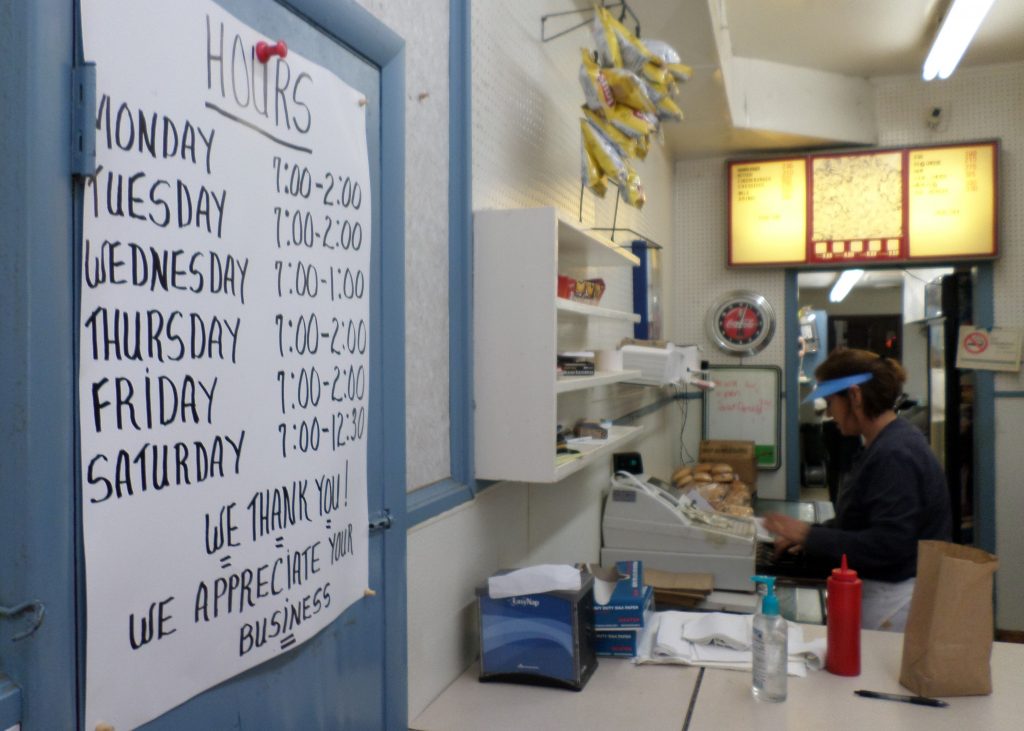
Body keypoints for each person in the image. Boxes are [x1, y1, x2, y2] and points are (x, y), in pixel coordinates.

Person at [763, 347, 951, 631]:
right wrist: (817, 534)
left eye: (830, 402)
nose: (829, 413)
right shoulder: (885, 443)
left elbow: (889, 546)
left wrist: (807, 534)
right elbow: (862, 520)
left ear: (855, 396)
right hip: (884, 592)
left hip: (895, 602)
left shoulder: (895, 454)